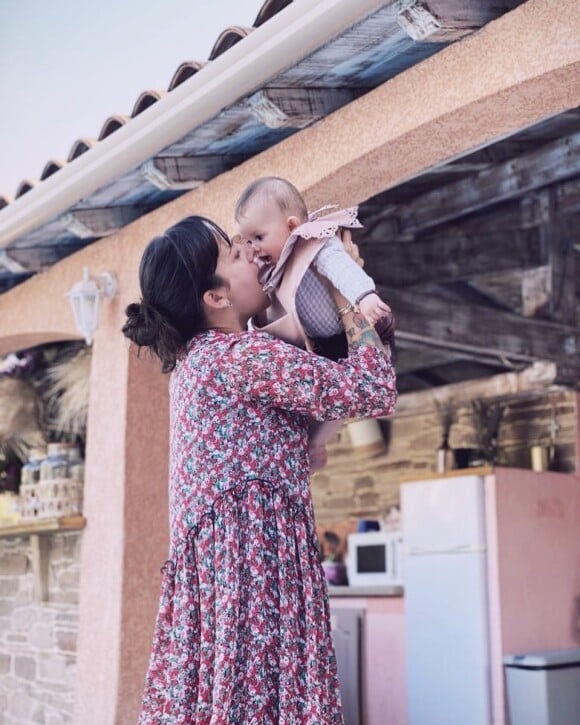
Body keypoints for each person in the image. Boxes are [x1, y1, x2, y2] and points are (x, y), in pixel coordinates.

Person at [122, 215, 397, 724]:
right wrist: (344, 291)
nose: (250, 254)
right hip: (255, 573)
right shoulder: (240, 357)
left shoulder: (197, 364)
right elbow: (373, 388)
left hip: (232, 577)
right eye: (233, 253)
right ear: (216, 298)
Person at [234, 176, 394, 354]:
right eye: (248, 241)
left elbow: (341, 267)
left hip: (356, 322)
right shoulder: (270, 266)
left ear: (292, 226)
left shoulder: (313, 241)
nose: (253, 248)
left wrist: (364, 296)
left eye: (259, 237)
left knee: (376, 359)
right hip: (321, 345)